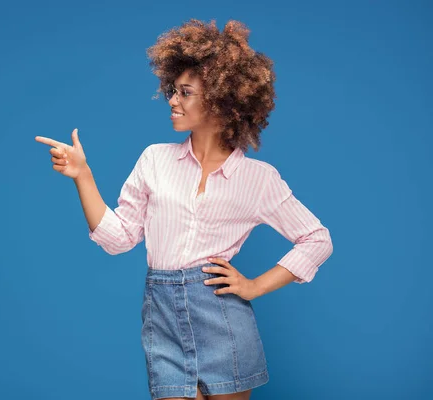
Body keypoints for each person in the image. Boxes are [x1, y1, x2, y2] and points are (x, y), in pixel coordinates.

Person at [35, 19, 333, 400]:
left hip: (222, 316)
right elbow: (119, 239)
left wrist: (254, 286)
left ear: (222, 99)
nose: (172, 100)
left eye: (185, 93)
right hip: (161, 315)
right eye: (173, 91)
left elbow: (316, 239)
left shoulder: (258, 178)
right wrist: (83, 176)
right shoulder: (155, 159)